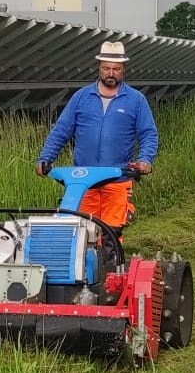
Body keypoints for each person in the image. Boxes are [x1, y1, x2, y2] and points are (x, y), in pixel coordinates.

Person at [34, 40, 158, 234]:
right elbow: (61, 131)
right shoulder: (82, 97)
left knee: (111, 233)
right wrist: (45, 158)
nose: (111, 73)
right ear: (99, 67)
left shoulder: (136, 100)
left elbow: (148, 133)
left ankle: (110, 254)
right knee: (82, 231)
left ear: (123, 69)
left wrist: (145, 160)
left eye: (116, 69)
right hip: (83, 181)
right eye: (106, 68)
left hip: (117, 179)